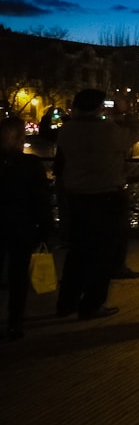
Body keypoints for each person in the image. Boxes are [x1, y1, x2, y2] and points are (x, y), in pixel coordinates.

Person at [54, 89, 139, 320]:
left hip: (77, 197)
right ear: (99, 107)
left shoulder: (67, 131)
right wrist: (125, 112)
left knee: (77, 253)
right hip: (106, 197)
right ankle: (92, 304)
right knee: (103, 255)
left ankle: (66, 303)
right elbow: (134, 133)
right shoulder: (108, 131)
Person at [1, 118, 54, 339]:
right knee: (18, 276)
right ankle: (14, 322)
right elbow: (41, 200)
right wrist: (45, 228)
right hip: (20, 226)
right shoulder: (30, 165)